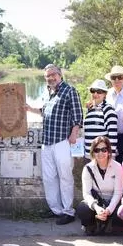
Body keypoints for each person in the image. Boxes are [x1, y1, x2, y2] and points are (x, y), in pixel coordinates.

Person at [25, 64, 83, 225]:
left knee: (65, 176)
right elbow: (45, 111)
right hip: (47, 142)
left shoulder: (69, 90)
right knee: (49, 178)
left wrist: (74, 133)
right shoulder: (49, 92)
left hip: (62, 141)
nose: (50, 78)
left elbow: (78, 114)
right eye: (47, 76)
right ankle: (56, 210)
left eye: (53, 75)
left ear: (60, 75)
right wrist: (30, 109)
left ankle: (68, 211)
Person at [77, 136, 123, 235]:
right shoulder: (88, 168)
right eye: (97, 150)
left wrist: (109, 210)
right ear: (93, 152)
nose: (100, 153)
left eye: (104, 149)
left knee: (122, 211)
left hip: (112, 204)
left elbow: (118, 193)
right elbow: (86, 193)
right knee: (82, 208)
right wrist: (97, 208)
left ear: (109, 151)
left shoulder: (117, 167)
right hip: (97, 203)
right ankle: (91, 226)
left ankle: (112, 224)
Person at [104, 65, 123, 162]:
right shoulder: (106, 94)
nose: (116, 80)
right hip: (107, 136)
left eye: (120, 77)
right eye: (113, 77)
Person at [82, 80, 118, 159]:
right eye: (93, 91)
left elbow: (113, 136)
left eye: (99, 91)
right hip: (88, 156)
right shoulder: (89, 109)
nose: (95, 94)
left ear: (105, 94)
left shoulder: (108, 110)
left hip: (103, 157)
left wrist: (111, 157)